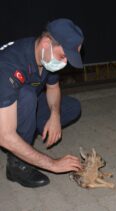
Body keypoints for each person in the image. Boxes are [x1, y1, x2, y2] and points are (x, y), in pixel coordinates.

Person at [0, 18, 84, 188]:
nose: (64, 63)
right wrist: (53, 164)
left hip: (18, 104)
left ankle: (25, 135)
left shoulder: (45, 56)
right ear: (46, 43)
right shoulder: (8, 65)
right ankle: (17, 165)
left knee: (71, 107)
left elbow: (53, 88)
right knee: (28, 95)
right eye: (63, 56)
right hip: (4, 111)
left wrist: (55, 115)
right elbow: (5, 136)